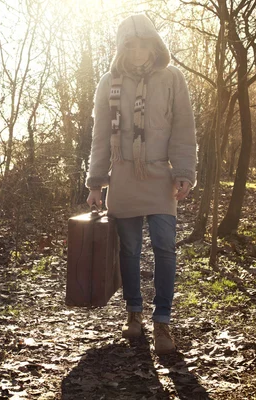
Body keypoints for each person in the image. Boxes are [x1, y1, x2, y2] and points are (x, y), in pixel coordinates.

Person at [85, 14, 197, 355]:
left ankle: (162, 320)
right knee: (130, 251)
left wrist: (184, 172)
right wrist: (95, 183)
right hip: (123, 177)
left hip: (161, 177)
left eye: (142, 43)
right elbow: (101, 136)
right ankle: (134, 314)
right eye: (130, 45)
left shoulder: (172, 78)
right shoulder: (109, 82)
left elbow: (183, 129)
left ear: (154, 44)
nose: (137, 51)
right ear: (121, 47)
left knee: (164, 247)